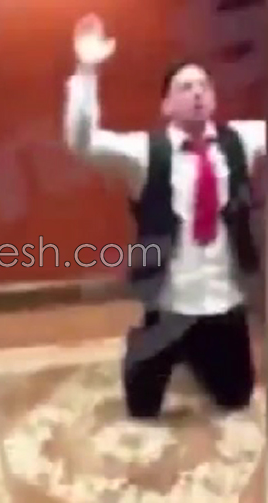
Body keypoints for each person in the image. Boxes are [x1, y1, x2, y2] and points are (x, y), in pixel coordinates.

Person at [63, 13, 266, 419]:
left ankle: (200, 352)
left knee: (235, 398)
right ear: (167, 105)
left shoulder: (243, 140)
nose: (197, 93)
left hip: (224, 300)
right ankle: (149, 347)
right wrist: (87, 70)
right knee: (142, 407)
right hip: (169, 302)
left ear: (213, 98)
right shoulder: (143, 153)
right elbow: (82, 143)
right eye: (185, 87)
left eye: (203, 85)